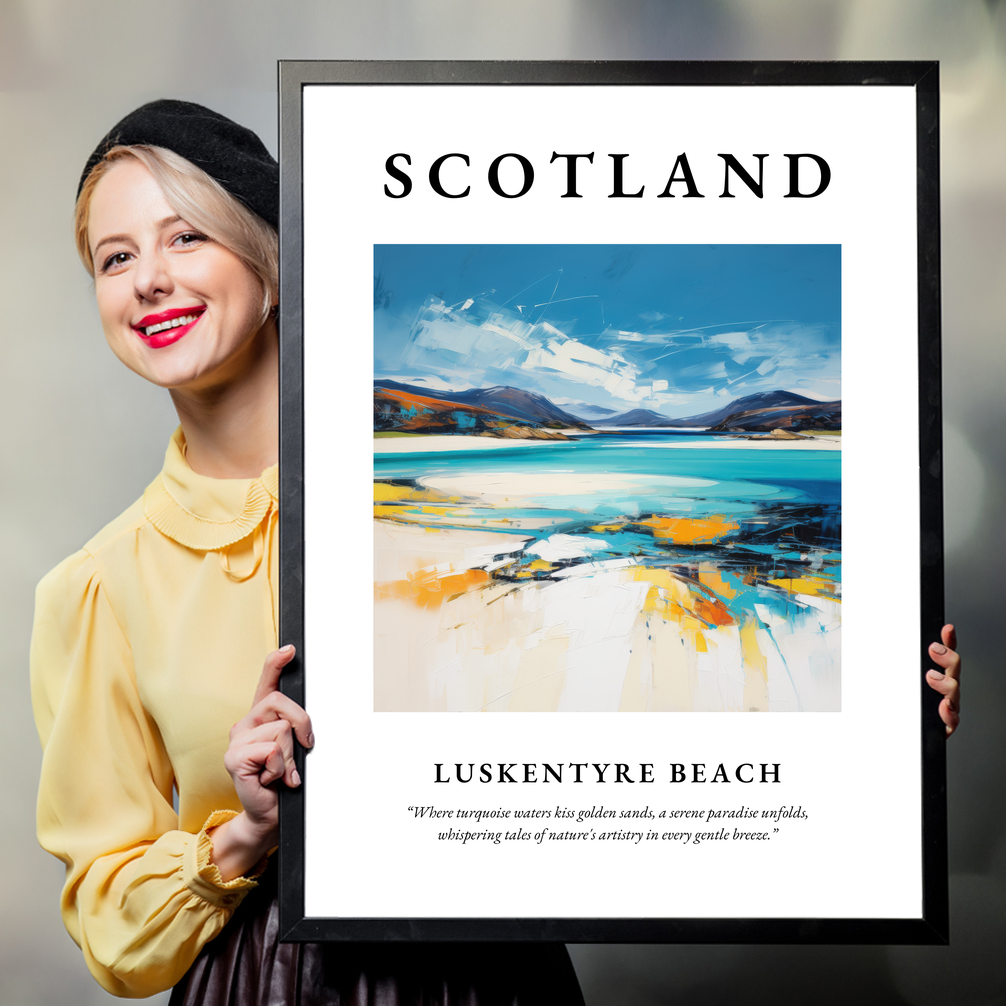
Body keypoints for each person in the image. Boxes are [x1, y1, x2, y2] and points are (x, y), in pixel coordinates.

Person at [30, 100, 585, 1004]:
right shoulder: (97, 587)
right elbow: (110, 924)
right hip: (262, 982)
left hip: (493, 973)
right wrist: (245, 832)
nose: (148, 281)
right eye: (116, 257)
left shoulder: (462, 506)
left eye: (186, 239)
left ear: (273, 264)